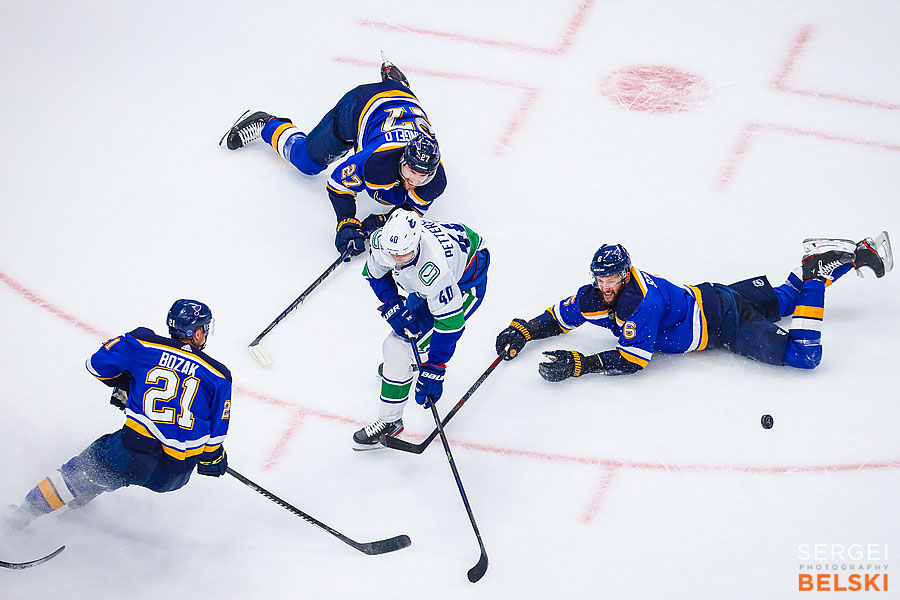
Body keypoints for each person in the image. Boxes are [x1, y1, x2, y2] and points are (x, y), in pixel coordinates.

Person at [495, 232, 892, 380]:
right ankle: (840, 260)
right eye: (601, 278)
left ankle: (818, 274)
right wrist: (525, 330)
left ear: (625, 273)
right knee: (786, 298)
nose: (605, 285)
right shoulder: (594, 295)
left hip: (723, 323)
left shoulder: (640, 304)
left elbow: (634, 360)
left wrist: (583, 365)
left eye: (612, 278)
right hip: (714, 295)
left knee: (804, 356)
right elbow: (559, 317)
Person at [7, 300, 232, 530]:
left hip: (132, 451)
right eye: (204, 329)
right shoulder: (219, 376)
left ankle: (19, 518)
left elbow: (96, 365)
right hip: (174, 475)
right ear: (195, 334)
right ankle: (75, 510)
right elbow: (216, 436)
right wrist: (212, 458)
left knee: (85, 471)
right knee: (111, 464)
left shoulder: (143, 343)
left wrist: (126, 384)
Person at [220, 56, 447, 261]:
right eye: (410, 172)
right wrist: (346, 220)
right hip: (359, 107)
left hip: (404, 102)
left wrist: (382, 222)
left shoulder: (435, 180)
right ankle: (266, 124)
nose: (414, 181)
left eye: (422, 175)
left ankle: (395, 84)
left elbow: (408, 211)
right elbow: (338, 184)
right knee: (307, 161)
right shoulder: (375, 161)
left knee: (393, 196)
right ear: (402, 160)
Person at [352, 209, 490, 449]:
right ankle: (405, 368)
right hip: (432, 276)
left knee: (397, 347)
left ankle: (390, 422)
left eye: (403, 254)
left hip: (465, 281)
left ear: (416, 242)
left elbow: (450, 325)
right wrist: (393, 305)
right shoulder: (384, 243)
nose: (396, 259)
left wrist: (436, 369)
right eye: (392, 253)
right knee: (404, 344)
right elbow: (375, 275)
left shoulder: (434, 270)